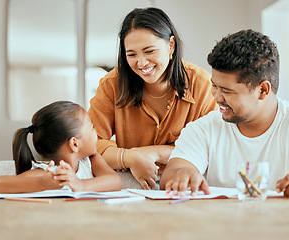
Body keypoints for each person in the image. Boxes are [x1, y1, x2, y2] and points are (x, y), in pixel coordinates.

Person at [160, 29, 289, 199]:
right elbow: (173, 171)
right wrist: (181, 174)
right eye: (214, 85)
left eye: (227, 91)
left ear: (263, 90)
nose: (215, 96)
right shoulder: (202, 129)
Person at [88, 7, 217, 190]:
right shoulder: (112, 84)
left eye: (149, 51)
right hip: (132, 181)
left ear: (171, 45)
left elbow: (210, 148)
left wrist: (153, 153)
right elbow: (89, 144)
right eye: (131, 54)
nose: (141, 63)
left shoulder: (201, 84)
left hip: (188, 181)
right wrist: (131, 158)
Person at [0, 101, 122, 194]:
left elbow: (115, 182)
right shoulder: (47, 174)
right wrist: (43, 183)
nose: (96, 132)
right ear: (74, 144)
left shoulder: (91, 160)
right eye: (92, 128)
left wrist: (80, 185)